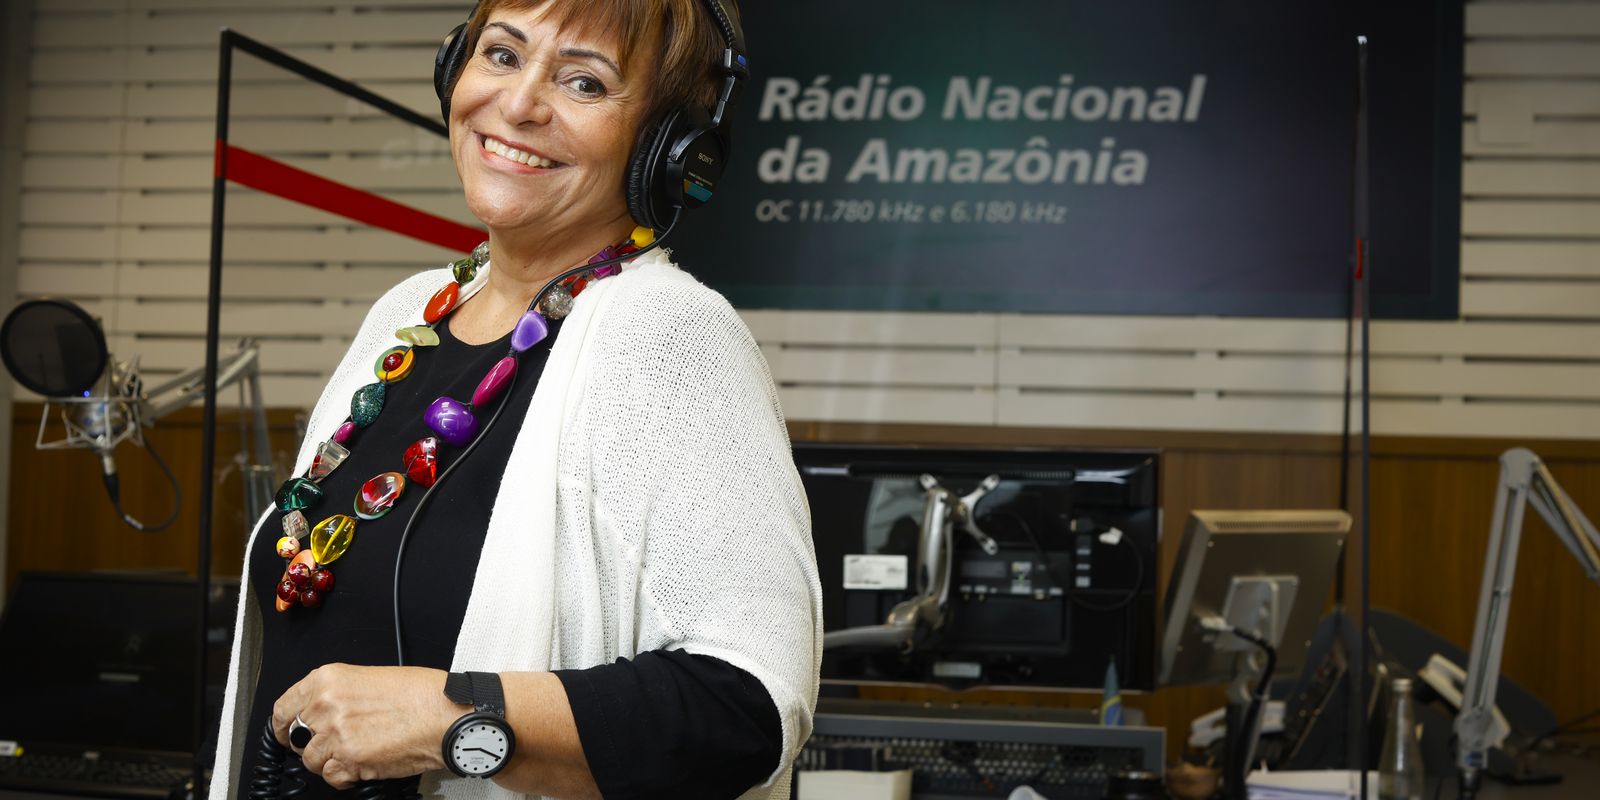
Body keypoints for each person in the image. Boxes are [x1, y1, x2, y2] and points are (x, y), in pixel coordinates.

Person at [208, 1, 822, 798]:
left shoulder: (670, 335)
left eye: (584, 82)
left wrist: (449, 718)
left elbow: (746, 708)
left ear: (669, 145)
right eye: (501, 55)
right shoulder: (408, 311)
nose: (521, 103)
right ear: (452, 71)